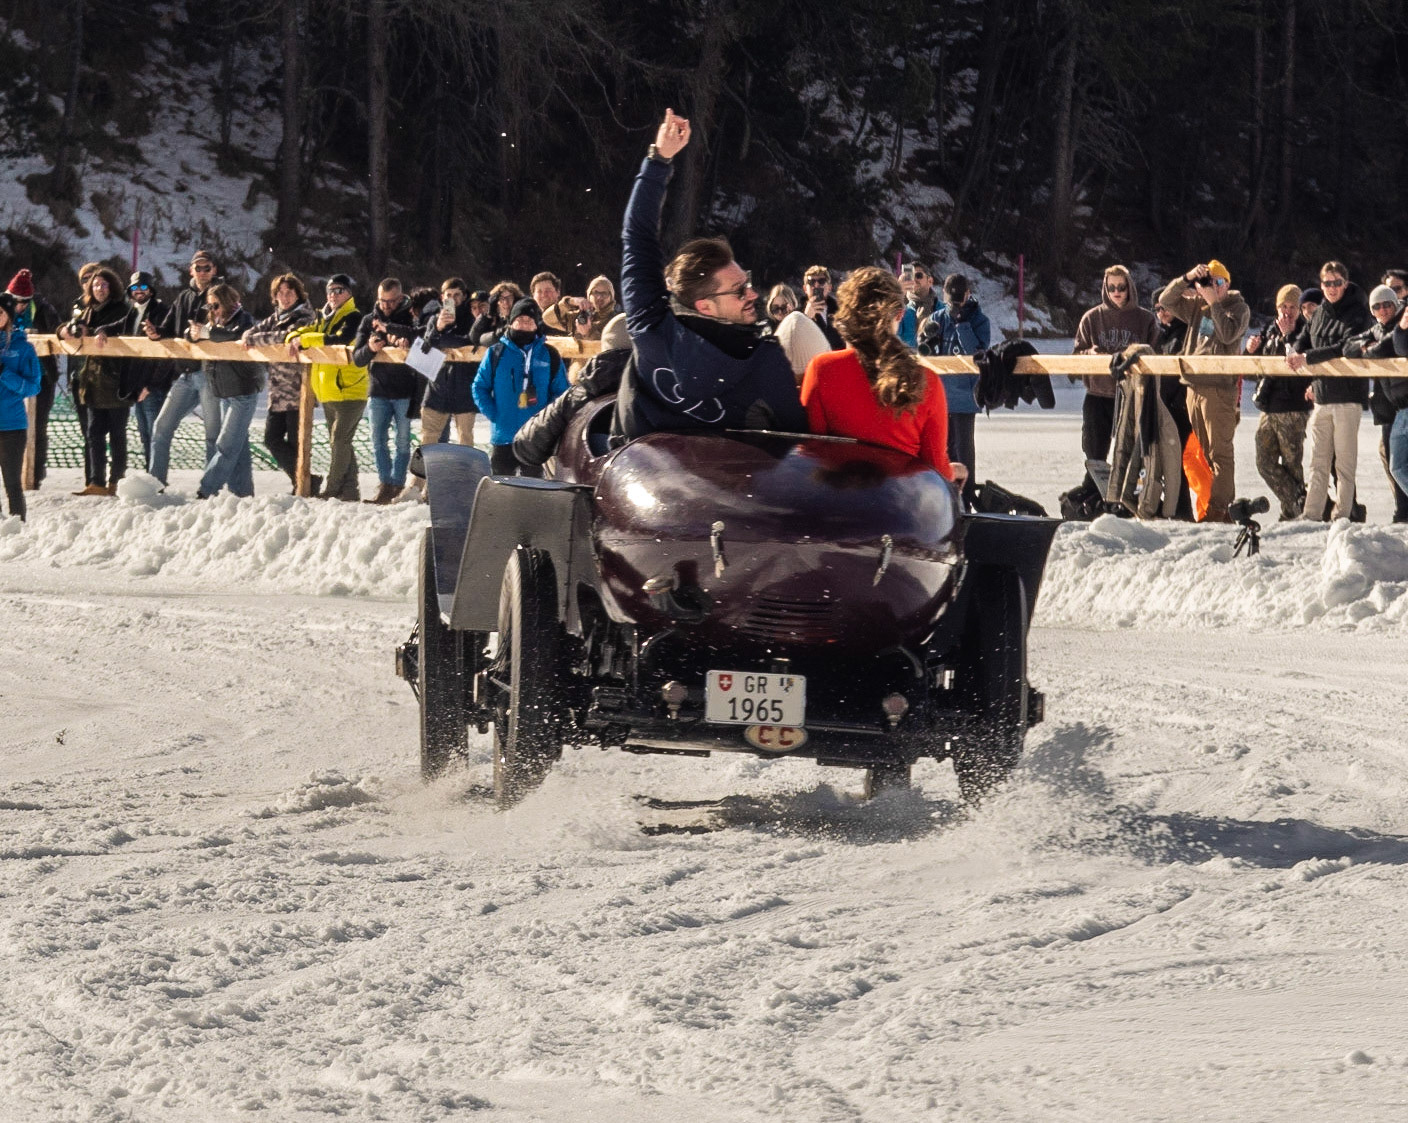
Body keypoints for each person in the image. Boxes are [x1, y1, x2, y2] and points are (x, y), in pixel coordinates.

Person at [615, 109, 806, 441]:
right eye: (739, 290)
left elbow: (637, 235)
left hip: (635, 471)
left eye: (746, 284)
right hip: (714, 487)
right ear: (704, 305)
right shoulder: (764, 362)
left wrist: (659, 159)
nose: (753, 294)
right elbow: (800, 443)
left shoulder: (650, 323)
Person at [800, 266, 957, 481]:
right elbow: (936, 469)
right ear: (900, 314)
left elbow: (812, 453)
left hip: (838, 500)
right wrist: (956, 472)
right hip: (900, 506)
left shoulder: (822, 369)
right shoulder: (925, 380)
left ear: (847, 314)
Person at [1155, 260, 1251, 522]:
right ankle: (1214, 506)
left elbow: (1229, 334)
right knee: (1201, 455)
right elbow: (1166, 300)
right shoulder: (1197, 307)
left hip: (1218, 391)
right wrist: (1187, 278)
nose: (1213, 288)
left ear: (1227, 284)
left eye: (1218, 283)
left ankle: (1219, 508)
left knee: (1220, 452)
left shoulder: (1238, 307)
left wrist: (1214, 303)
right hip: (1193, 388)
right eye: (1209, 283)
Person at [1286, 261, 1372, 521]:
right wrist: (1293, 350)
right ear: (1320, 285)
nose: (1332, 288)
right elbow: (1305, 336)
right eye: (1327, 283)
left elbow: (1343, 345)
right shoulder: (1320, 311)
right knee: (1317, 460)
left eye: (1336, 283)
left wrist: (1307, 357)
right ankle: (1312, 512)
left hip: (1347, 396)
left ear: (1345, 284)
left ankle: (1343, 512)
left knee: (1344, 463)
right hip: (1322, 396)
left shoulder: (1357, 311)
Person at [1072, 265, 1160, 495]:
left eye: (1121, 287)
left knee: (1130, 455)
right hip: (1098, 396)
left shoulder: (1145, 319)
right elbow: (1075, 356)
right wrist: (1089, 355)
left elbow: (1158, 356)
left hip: (1132, 397)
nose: (1116, 292)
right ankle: (1093, 499)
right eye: (1111, 287)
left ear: (1129, 287)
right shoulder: (1092, 318)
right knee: (1094, 454)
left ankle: (1129, 500)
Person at [514, 313, 633, 470]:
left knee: (555, 442)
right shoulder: (669, 391)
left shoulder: (580, 395)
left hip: (592, 482)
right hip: (655, 478)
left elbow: (525, 446)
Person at [146, 251, 222, 487]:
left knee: (213, 435)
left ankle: (211, 488)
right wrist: (155, 332)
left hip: (209, 373)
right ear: (191, 271)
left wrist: (204, 328)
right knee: (161, 428)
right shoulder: (183, 297)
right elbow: (168, 328)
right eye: (197, 268)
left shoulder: (220, 295)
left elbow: (228, 326)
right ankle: (155, 483)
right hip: (185, 374)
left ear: (214, 270)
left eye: (206, 268)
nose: (202, 272)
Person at [286, 274, 366, 501]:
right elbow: (304, 331)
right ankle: (350, 490)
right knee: (343, 443)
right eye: (330, 290)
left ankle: (331, 489)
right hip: (329, 391)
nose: (333, 295)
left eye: (339, 290)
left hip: (350, 389)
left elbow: (340, 338)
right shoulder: (324, 316)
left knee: (339, 441)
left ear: (349, 293)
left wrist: (306, 341)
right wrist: (292, 337)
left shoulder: (354, 316)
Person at [471, 298, 567, 476]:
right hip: (503, 435)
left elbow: (561, 392)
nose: (524, 325)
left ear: (536, 325)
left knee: (533, 489)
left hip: (536, 437)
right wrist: (494, 414)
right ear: (511, 322)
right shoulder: (496, 352)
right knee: (501, 489)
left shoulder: (549, 354)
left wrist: (548, 420)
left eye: (529, 321)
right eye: (519, 320)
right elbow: (479, 387)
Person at [919, 272, 990, 503]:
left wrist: (962, 324)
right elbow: (926, 353)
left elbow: (976, 352)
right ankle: (944, 492)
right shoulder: (939, 316)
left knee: (964, 446)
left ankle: (966, 494)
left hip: (966, 394)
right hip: (942, 393)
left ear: (968, 295)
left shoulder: (979, 320)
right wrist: (926, 338)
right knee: (943, 446)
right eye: (952, 299)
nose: (956, 304)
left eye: (960, 299)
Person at [59, 265, 129, 496]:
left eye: (104, 284)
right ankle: (95, 481)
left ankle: (116, 481)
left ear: (112, 286)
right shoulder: (85, 308)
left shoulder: (122, 309)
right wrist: (66, 331)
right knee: (93, 433)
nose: (99, 288)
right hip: (90, 380)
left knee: (117, 434)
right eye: (95, 285)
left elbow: (125, 331)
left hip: (116, 379)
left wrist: (102, 331)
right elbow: (67, 326)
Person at [243, 273, 316, 493]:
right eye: (280, 293)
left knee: (297, 442)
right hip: (277, 391)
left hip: (298, 388)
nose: (284, 297)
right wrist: (249, 336)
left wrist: (255, 340)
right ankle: (305, 480)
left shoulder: (305, 316)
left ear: (298, 294)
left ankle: (303, 485)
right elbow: (252, 331)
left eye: (289, 292)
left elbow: (284, 336)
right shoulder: (276, 316)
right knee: (272, 439)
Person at [352, 277, 420, 503]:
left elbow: (419, 337)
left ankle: (397, 483)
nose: (386, 306)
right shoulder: (369, 320)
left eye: (391, 302)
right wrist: (371, 348)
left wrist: (404, 344)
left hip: (404, 390)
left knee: (402, 441)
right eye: (382, 301)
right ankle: (384, 482)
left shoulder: (410, 317)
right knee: (377, 439)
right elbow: (357, 357)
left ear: (400, 298)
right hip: (379, 390)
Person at [190, 283, 258, 499]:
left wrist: (205, 332)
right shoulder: (214, 322)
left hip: (243, 390)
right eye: (208, 306)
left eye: (216, 305)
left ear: (227, 302)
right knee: (239, 444)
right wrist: (194, 333)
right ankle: (242, 492)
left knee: (226, 443)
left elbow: (232, 335)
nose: (212, 310)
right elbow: (192, 332)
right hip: (225, 391)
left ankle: (207, 489)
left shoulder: (243, 319)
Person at [6, 270, 61, 489]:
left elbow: (57, 325)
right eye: (16, 301)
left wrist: (64, 330)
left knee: (37, 426)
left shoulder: (41, 307)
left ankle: (34, 474)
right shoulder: (2, 307)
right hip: (7, 375)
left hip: (39, 375)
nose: (20, 306)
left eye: (24, 302)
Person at [420, 277, 482, 449]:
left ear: (464, 297)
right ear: (442, 297)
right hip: (437, 387)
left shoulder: (471, 318)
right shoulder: (435, 319)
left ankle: (467, 476)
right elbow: (424, 348)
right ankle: (422, 476)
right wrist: (439, 329)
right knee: (428, 441)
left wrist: (441, 340)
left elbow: (468, 341)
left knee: (465, 441)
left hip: (465, 387)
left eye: (457, 295)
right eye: (449, 295)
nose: (453, 299)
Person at [120, 271, 172, 471]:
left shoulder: (160, 311)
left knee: (155, 435)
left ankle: (156, 479)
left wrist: (152, 385)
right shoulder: (132, 311)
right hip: (136, 382)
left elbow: (166, 351)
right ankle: (149, 475)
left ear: (150, 290)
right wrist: (99, 331)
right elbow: (119, 328)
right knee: (144, 434)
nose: (139, 291)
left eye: (143, 287)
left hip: (153, 385)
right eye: (135, 288)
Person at [0, 292, 43, 519]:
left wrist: (4, 374)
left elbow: (33, 387)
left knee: (12, 484)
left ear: (8, 315)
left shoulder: (23, 348)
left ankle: (18, 531)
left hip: (11, 426)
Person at [765, 283, 830, 382]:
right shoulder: (766, 329)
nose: (779, 312)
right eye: (775, 308)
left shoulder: (802, 321)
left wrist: (806, 319)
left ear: (792, 306)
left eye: (783, 308)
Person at [802, 265, 844, 349]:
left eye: (821, 281)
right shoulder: (797, 314)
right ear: (805, 289)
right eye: (811, 282)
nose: (816, 285)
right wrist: (805, 318)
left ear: (829, 287)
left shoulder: (841, 311)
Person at [469, 280, 523, 346]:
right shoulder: (497, 320)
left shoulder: (522, 318)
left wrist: (501, 333)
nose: (506, 302)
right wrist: (488, 315)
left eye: (509, 298)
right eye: (501, 299)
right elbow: (475, 338)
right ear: (496, 303)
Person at [579, 275, 619, 340]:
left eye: (604, 293)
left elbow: (610, 346)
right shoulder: (581, 316)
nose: (599, 297)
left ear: (611, 297)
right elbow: (557, 319)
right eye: (596, 292)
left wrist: (589, 332)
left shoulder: (616, 321)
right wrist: (570, 301)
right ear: (589, 295)